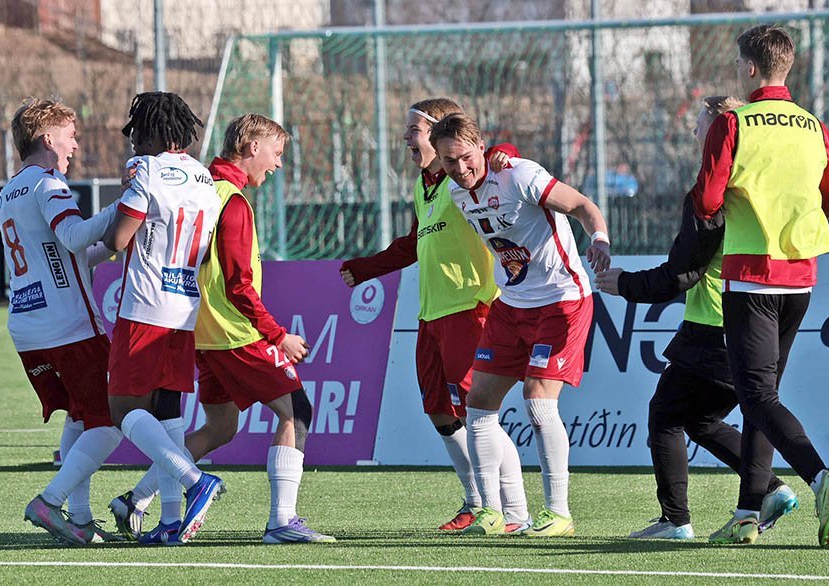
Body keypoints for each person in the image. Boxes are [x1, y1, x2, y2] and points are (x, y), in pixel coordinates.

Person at [109, 113, 335, 544]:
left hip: (198, 332)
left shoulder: (199, 184)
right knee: (297, 411)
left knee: (220, 427)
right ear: (252, 147)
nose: (278, 164)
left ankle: (135, 499)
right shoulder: (231, 200)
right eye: (276, 153)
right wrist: (278, 335)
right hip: (235, 333)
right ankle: (281, 521)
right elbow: (238, 285)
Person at [595, 95, 798, 540]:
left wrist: (626, 284)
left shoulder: (713, 194)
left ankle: (676, 521)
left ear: (722, 130)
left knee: (665, 414)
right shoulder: (755, 186)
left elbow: (681, 274)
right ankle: (770, 488)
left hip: (713, 328)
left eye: (701, 123)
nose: (693, 131)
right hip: (756, 321)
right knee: (702, 419)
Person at [689, 25, 829, 546]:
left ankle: (820, 478)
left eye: (739, 64)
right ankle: (746, 515)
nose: (738, 71)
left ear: (751, 68)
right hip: (800, 277)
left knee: (755, 395)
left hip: (751, 277)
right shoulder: (814, 126)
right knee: (763, 397)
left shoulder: (732, 123)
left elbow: (707, 201)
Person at [339, 98, 530, 532]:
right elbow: (412, 244)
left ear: (442, 134)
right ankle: (475, 501)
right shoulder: (423, 186)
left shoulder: (465, 178)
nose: (406, 137)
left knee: (480, 414)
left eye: (414, 130)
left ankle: (515, 512)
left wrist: (506, 152)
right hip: (430, 314)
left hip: (469, 308)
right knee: (441, 412)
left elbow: (499, 161)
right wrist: (366, 268)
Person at [430, 113, 611, 537]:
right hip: (510, 305)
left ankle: (559, 513)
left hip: (561, 301)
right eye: (449, 160)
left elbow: (583, 206)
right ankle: (492, 512)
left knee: (538, 400)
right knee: (478, 405)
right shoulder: (455, 192)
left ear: (480, 147)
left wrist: (599, 239)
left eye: (466, 156)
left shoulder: (519, 175)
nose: (460, 168)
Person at [0, 98, 123, 545]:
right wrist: (125, 206)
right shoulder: (48, 184)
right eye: (71, 136)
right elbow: (72, 236)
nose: (75, 145)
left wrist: (112, 244)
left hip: (29, 326)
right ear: (48, 139)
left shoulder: (9, 191)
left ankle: (81, 516)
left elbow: (67, 255)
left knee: (80, 418)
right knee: (114, 419)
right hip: (68, 327)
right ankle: (50, 501)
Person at [102, 92, 224, 546]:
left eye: (136, 130)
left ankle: (196, 481)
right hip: (184, 306)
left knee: (123, 410)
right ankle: (170, 520)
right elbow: (206, 251)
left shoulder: (146, 170)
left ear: (153, 132)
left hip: (144, 305)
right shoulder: (205, 178)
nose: (133, 140)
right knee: (167, 412)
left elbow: (117, 238)